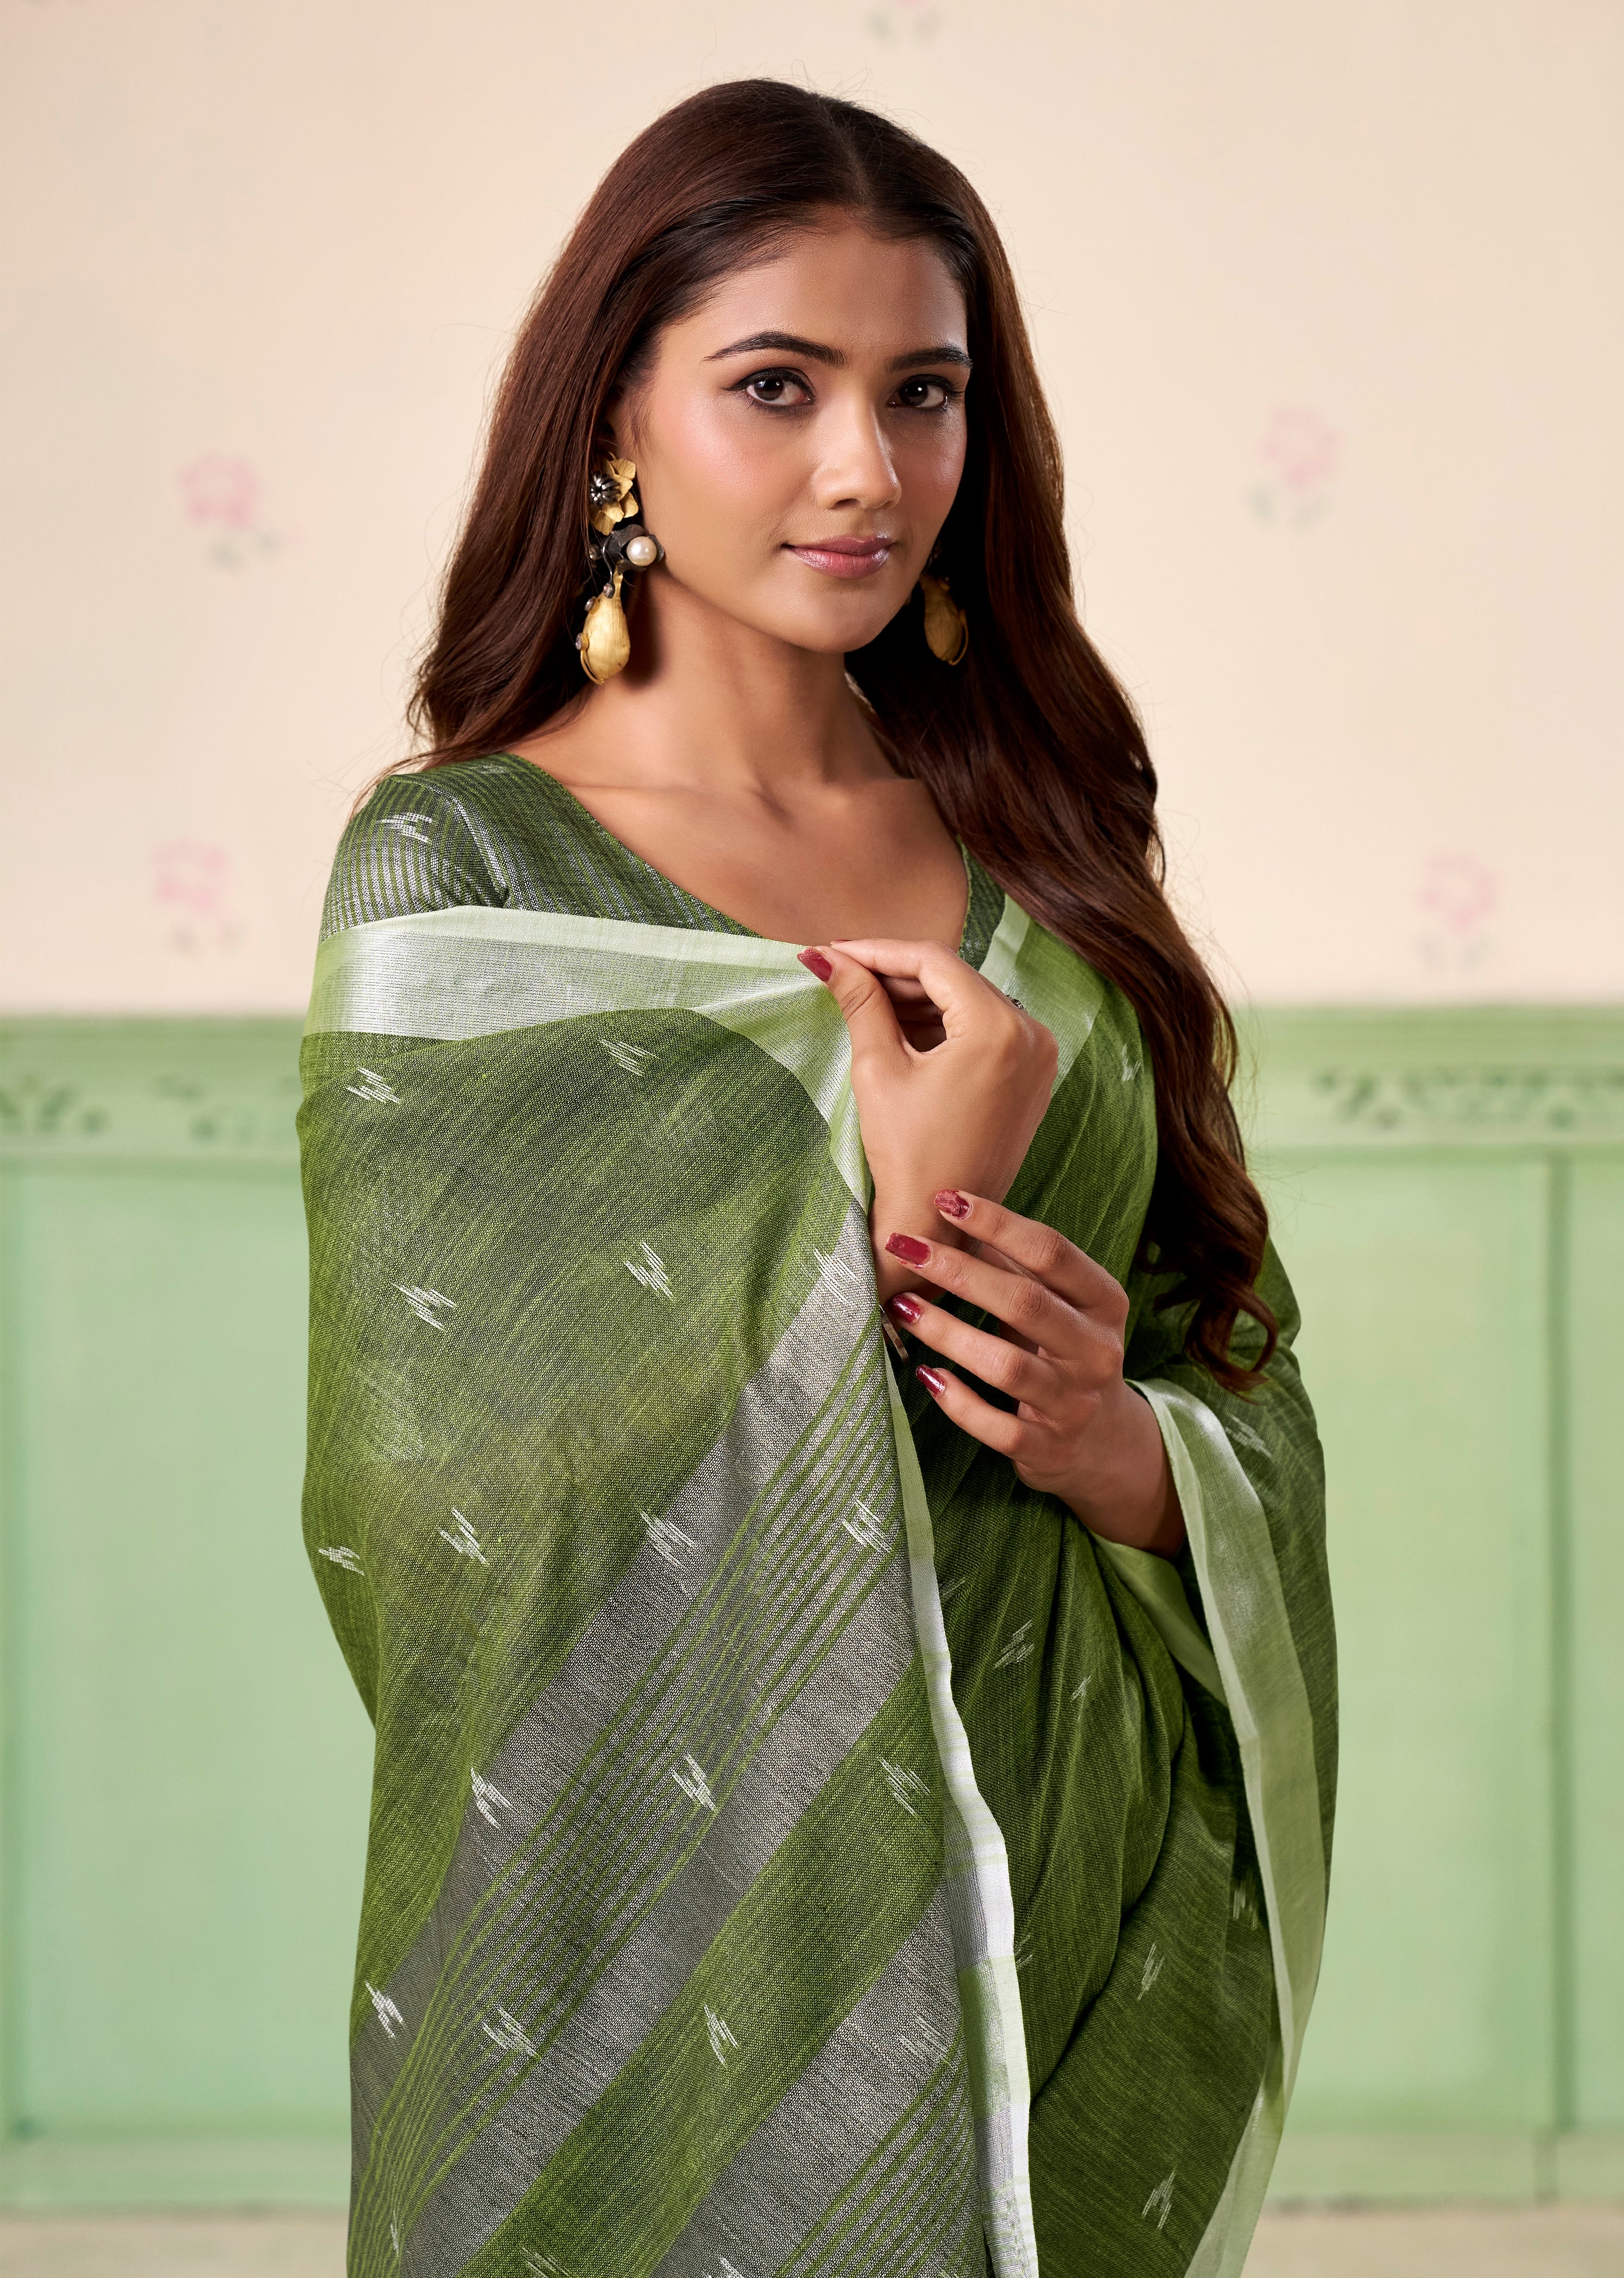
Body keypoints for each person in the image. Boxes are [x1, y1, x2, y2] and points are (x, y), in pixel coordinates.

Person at [299, 79, 1334, 2278]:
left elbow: (1225, 1342)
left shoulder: (1043, 834)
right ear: (618, 413)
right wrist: (898, 1217)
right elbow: (442, 1496)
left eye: (923, 393)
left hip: (1070, 1845)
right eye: (777, 386)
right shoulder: (461, 874)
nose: (868, 469)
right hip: (688, 1905)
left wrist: (1128, 1451)